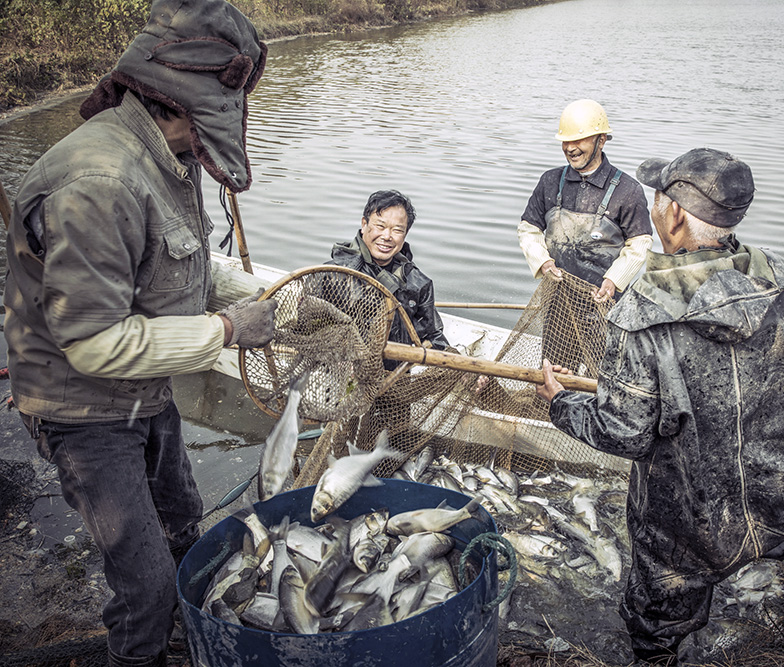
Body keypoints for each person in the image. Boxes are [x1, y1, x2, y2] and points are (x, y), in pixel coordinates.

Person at [2, 1, 275, 665]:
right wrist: (227, 329)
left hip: (146, 390)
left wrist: (271, 300)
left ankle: (185, 638)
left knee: (185, 525)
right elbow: (94, 343)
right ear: (178, 105)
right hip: (82, 408)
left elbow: (177, 266)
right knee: (145, 587)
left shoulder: (167, 156)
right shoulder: (98, 181)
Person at [535, 148, 784, 666]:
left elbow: (624, 432)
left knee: (655, 631)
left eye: (658, 199)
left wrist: (562, 402)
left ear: (674, 214)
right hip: (783, 499)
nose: (654, 208)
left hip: (684, 525)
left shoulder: (642, 313)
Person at [518, 99, 653, 302]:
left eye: (579, 140)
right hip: (557, 299)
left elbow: (640, 243)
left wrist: (614, 281)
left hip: (605, 302)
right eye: (566, 141)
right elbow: (529, 228)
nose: (570, 148)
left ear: (601, 140)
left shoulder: (628, 190)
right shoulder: (550, 181)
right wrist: (542, 262)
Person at [325, 189, 449, 354]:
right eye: (380, 226)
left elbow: (433, 336)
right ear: (364, 224)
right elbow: (306, 330)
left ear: (405, 234)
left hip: (398, 368)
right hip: (339, 366)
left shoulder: (418, 283)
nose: (387, 236)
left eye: (397, 230)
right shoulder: (332, 275)